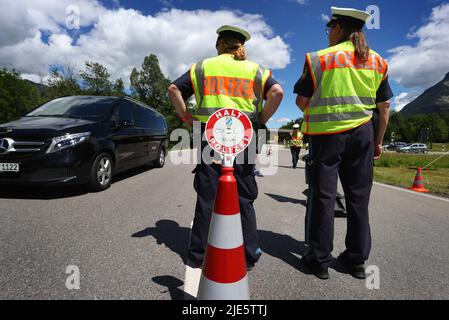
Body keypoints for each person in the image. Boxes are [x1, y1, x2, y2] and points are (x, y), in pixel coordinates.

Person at [168, 25, 284, 270]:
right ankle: (249, 255)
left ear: (219, 44)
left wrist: (185, 116)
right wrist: (260, 119)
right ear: (241, 46)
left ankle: (197, 255)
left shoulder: (202, 67)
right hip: (244, 135)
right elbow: (277, 91)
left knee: (207, 193)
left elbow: (174, 89)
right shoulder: (255, 70)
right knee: (243, 194)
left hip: (209, 135)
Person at [294, 7, 393, 280]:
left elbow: (301, 101)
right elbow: (384, 106)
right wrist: (378, 141)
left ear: (338, 28)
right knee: (358, 200)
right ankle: (356, 261)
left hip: (326, 137)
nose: (328, 34)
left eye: (330, 29)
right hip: (362, 136)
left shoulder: (319, 59)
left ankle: (319, 260)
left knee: (323, 197)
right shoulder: (378, 62)